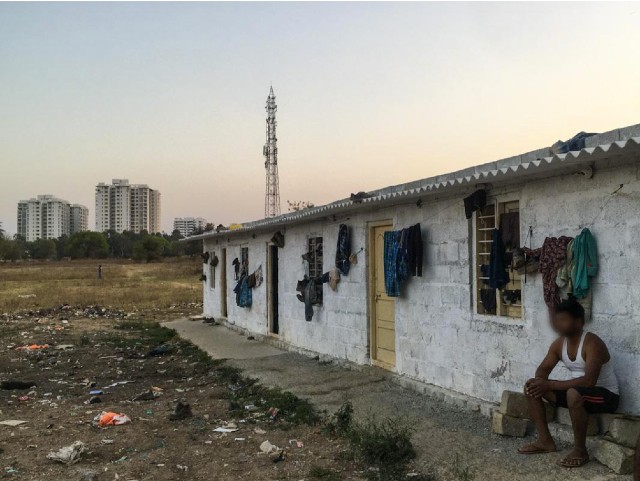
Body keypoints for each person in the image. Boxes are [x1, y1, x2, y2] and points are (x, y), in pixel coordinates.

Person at [518, 298, 619, 468]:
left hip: (605, 396)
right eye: (556, 320)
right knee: (531, 386)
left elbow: (589, 381)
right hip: (578, 393)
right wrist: (540, 382)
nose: (558, 324)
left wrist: (549, 385)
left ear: (578, 322)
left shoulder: (592, 343)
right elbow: (542, 370)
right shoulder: (559, 345)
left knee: (573, 393)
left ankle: (580, 451)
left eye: (563, 320)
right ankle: (545, 441)